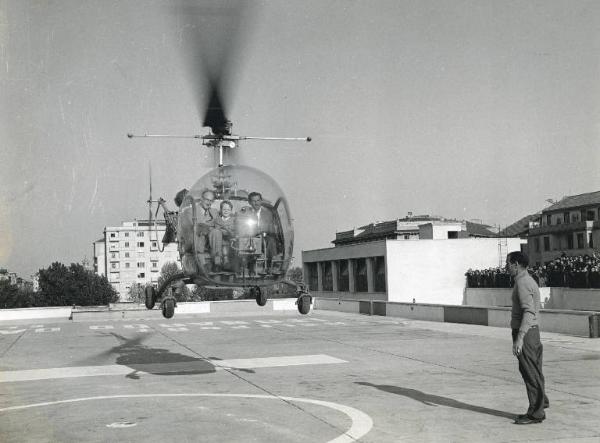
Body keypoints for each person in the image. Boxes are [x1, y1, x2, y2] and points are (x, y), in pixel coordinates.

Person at [506, 251, 549, 424]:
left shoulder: (523, 283)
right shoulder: (527, 280)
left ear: (516, 264)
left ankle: (536, 413)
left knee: (529, 371)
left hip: (526, 333)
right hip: (532, 331)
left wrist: (520, 337)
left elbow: (528, 311)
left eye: (508, 263)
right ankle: (540, 403)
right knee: (534, 370)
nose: (506, 267)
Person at [242, 192, 277, 271]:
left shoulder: (268, 213)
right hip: (251, 237)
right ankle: (249, 266)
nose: (256, 203)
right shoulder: (246, 213)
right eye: (253, 201)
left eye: (258, 200)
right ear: (250, 202)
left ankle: (270, 265)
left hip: (265, 237)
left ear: (261, 201)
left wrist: (263, 233)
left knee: (271, 241)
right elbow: (244, 227)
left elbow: (271, 229)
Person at [209, 200, 236, 270]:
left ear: (231, 210)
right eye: (224, 209)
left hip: (230, 242)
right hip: (217, 242)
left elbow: (235, 232)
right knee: (215, 232)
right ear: (221, 210)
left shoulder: (235, 220)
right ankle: (217, 261)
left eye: (228, 209)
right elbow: (210, 229)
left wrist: (225, 231)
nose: (226, 211)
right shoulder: (216, 220)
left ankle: (227, 261)